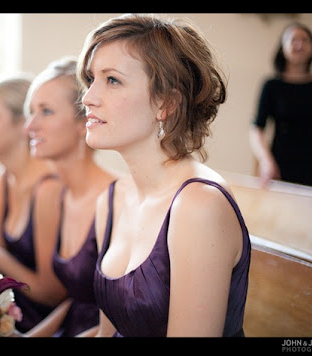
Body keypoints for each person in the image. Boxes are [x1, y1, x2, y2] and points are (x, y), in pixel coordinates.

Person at [76, 13, 251, 337]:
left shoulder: (199, 206)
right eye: (91, 79)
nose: (88, 98)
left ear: (166, 103)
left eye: (112, 80)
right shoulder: (111, 201)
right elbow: (107, 333)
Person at [13, 57, 115, 337]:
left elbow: (121, 316)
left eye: (45, 112)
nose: (29, 126)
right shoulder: (57, 194)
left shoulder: (114, 198)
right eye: (31, 111)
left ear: (83, 121)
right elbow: (77, 300)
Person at [0, 77, 67, 334]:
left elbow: (51, 294)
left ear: (22, 123)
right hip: (9, 299)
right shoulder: (4, 177)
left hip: (38, 314)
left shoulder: (49, 186)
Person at [249, 22, 312, 189]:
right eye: (293, 40)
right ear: (283, 48)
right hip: (279, 167)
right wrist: (266, 160)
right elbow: (257, 130)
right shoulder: (271, 85)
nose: (300, 44)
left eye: (305, 40)